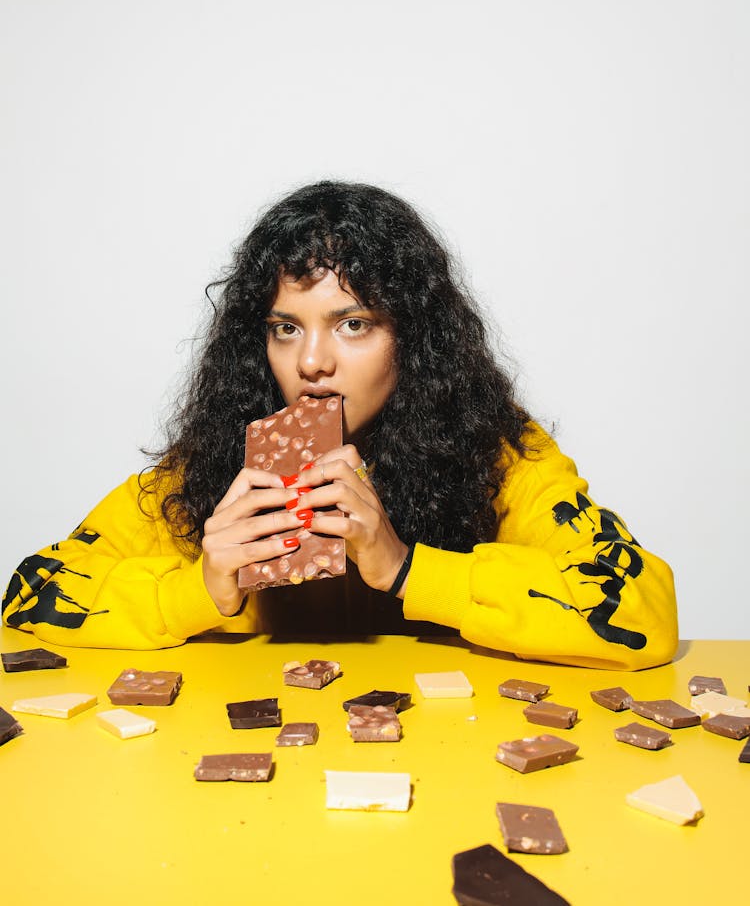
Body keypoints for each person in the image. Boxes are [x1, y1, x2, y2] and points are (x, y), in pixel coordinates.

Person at [2, 181, 678, 668]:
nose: (312, 362)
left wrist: (408, 567)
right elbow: (32, 593)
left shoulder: (499, 452)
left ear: (411, 336)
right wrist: (201, 589)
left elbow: (643, 610)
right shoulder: (214, 463)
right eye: (284, 328)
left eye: (353, 323)